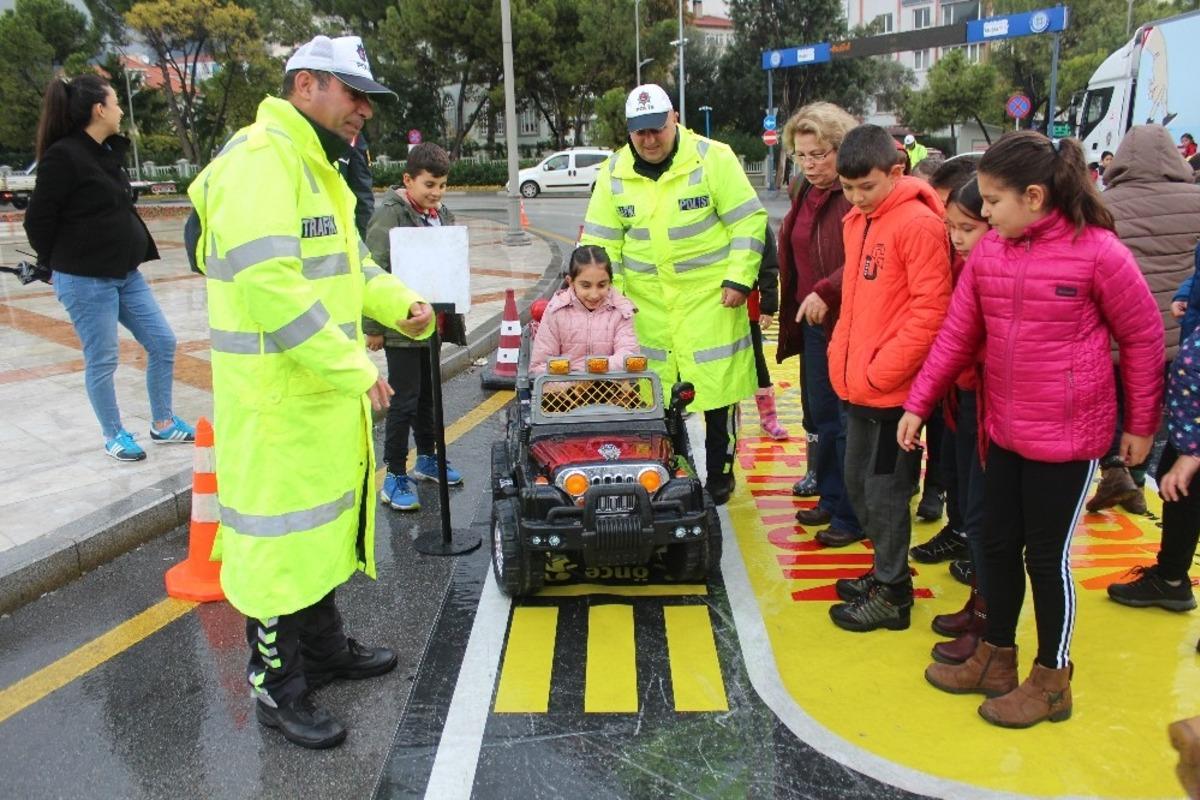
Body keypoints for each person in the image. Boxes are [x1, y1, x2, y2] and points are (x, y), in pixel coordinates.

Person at [187, 34, 436, 749]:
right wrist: (354, 366)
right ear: (305, 85)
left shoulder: (319, 165)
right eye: (352, 93)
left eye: (368, 98)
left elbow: (351, 268)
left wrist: (401, 304)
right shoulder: (261, 161)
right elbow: (271, 287)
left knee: (318, 533)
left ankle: (323, 649)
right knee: (273, 546)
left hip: (314, 395)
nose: (364, 109)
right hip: (275, 403)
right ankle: (276, 685)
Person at [902, 131, 1164, 728]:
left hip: (1068, 439)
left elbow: (1144, 339)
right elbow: (957, 335)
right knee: (994, 543)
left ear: (1036, 197)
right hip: (1003, 429)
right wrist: (918, 405)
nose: (984, 212)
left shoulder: (1099, 253)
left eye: (993, 201)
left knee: (1046, 559)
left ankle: (1052, 679)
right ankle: (996, 657)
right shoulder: (991, 254)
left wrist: (1142, 427)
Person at [579, 84, 767, 505]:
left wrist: (739, 279)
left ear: (675, 118)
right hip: (646, 309)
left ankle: (720, 474)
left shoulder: (713, 158)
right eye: (639, 132)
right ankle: (663, 473)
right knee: (652, 400)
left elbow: (749, 223)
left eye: (656, 129)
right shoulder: (613, 173)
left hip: (712, 303)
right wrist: (609, 301)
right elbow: (600, 243)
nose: (649, 140)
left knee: (717, 396)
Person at [24, 74, 194, 461]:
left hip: (125, 274)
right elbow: (37, 222)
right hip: (85, 281)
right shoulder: (63, 156)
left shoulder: (105, 152)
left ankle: (163, 424)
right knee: (103, 358)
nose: (120, 110)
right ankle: (114, 433)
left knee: (163, 342)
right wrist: (56, 265)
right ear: (99, 109)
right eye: (116, 102)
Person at [825, 123, 952, 632]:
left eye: (867, 187)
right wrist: (844, 356)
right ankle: (883, 573)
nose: (856, 197)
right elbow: (857, 303)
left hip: (891, 392)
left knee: (885, 491)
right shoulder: (858, 221)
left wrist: (882, 370)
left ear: (896, 172)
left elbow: (931, 311)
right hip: (860, 384)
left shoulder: (918, 224)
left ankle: (894, 592)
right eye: (848, 188)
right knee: (859, 484)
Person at [1087, 124, 1200, 516]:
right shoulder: (1196, 201)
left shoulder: (1105, 203)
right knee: (1163, 413)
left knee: (1117, 405)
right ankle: (1140, 479)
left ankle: (1117, 471)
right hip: (1179, 333)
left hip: (1121, 331)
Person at [775, 102, 862, 547]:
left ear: (841, 150)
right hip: (811, 322)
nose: (810, 164)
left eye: (819, 154)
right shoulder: (803, 192)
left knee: (848, 421)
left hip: (848, 322)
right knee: (822, 414)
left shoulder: (855, 193)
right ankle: (830, 497)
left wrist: (826, 290)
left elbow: (863, 258)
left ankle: (852, 513)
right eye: (801, 155)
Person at [364, 142, 465, 513]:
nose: (436, 193)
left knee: (428, 396)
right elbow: (372, 268)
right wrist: (374, 325)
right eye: (429, 185)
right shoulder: (390, 215)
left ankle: (426, 458)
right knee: (404, 400)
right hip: (401, 327)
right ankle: (393, 474)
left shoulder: (442, 214)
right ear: (408, 180)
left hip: (432, 326)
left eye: (442, 185)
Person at [922, 177, 991, 666]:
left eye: (967, 227)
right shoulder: (971, 263)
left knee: (1000, 524)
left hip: (1003, 405)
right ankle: (980, 608)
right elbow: (954, 337)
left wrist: (1138, 421)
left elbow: (1135, 333)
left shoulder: (1002, 264)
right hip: (967, 392)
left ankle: (999, 639)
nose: (955, 237)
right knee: (972, 495)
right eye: (952, 228)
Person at [530, 245, 638, 374]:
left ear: (610, 282)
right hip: (563, 391)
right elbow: (541, 365)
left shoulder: (621, 311)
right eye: (586, 286)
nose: (594, 294)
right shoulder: (556, 312)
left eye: (602, 285)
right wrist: (575, 385)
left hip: (611, 389)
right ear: (571, 282)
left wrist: (592, 370)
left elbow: (628, 355)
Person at [748, 223, 788, 440]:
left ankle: (768, 418)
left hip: (746, 301)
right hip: (709, 303)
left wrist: (769, 306)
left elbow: (769, 265)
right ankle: (727, 419)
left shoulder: (757, 221)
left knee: (756, 361)